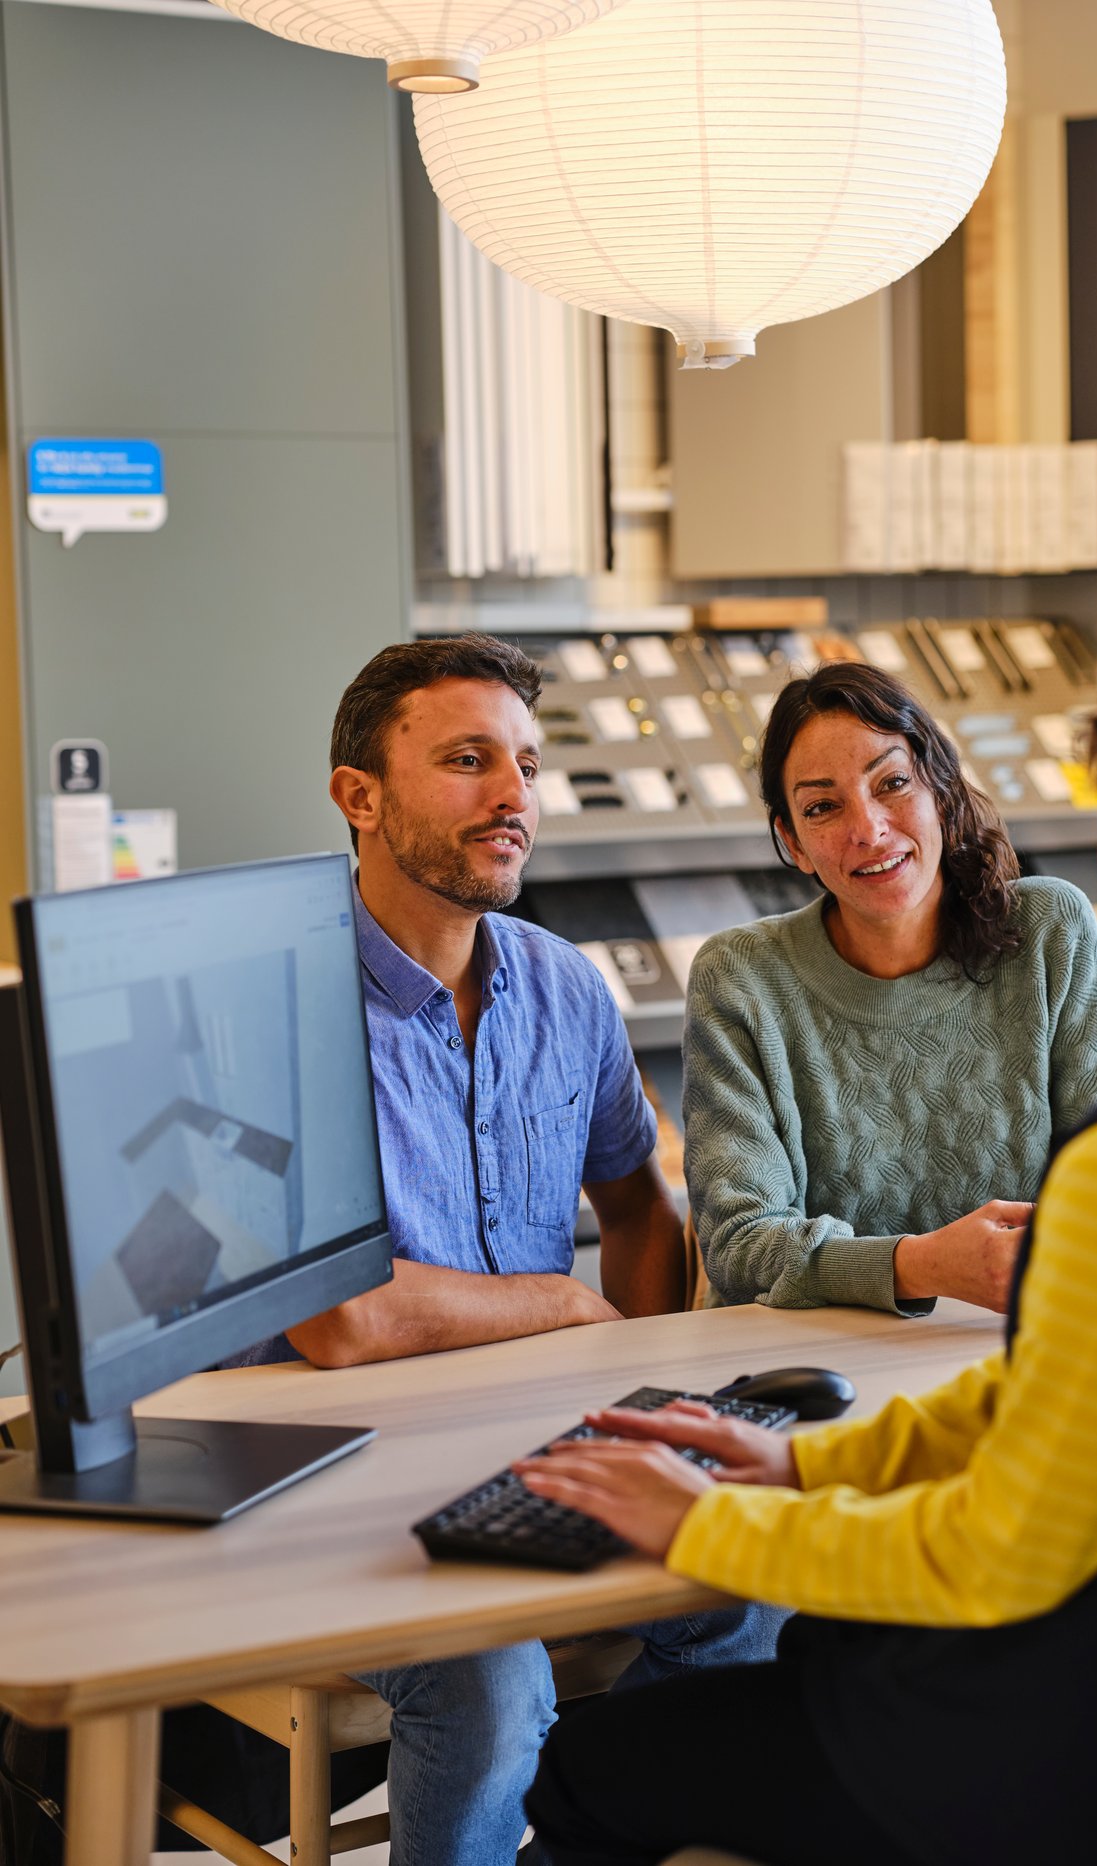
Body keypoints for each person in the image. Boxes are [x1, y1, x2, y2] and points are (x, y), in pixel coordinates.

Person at [518, 625, 1097, 1866]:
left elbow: (991, 1550)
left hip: (1072, 1742)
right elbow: (1059, 1390)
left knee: (592, 1765)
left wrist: (702, 1526)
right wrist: (806, 1472)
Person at [229, 635, 781, 1866]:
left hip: (530, 1448)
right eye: (468, 761)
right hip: (328, 1479)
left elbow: (640, 1210)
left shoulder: (561, 987)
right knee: (486, 1688)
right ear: (356, 796)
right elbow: (342, 1319)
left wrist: (639, 1398)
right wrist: (565, 1311)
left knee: (760, 1593)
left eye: (526, 765)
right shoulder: (279, 1000)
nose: (513, 797)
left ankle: (573, 1840)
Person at [684, 660, 1097, 1315]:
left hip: (1013, 1348)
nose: (867, 829)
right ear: (794, 843)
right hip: (807, 1367)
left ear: (942, 790)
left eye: (891, 783)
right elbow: (738, 1244)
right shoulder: (740, 979)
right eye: (822, 807)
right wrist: (923, 1267)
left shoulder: (1050, 932)